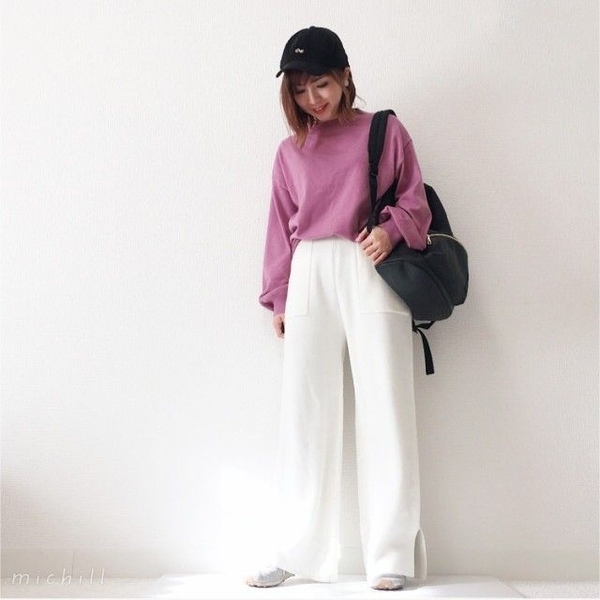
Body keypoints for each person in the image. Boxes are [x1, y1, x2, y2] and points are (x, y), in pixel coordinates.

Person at [246, 26, 431, 592]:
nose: (312, 99)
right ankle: (294, 549)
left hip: (370, 266)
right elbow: (280, 227)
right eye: (300, 90)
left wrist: (391, 231)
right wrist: (279, 294)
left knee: (386, 407)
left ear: (345, 76)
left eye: (321, 84)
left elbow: (415, 201)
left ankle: (390, 555)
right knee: (304, 412)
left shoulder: (385, 131)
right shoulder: (290, 152)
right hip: (309, 272)